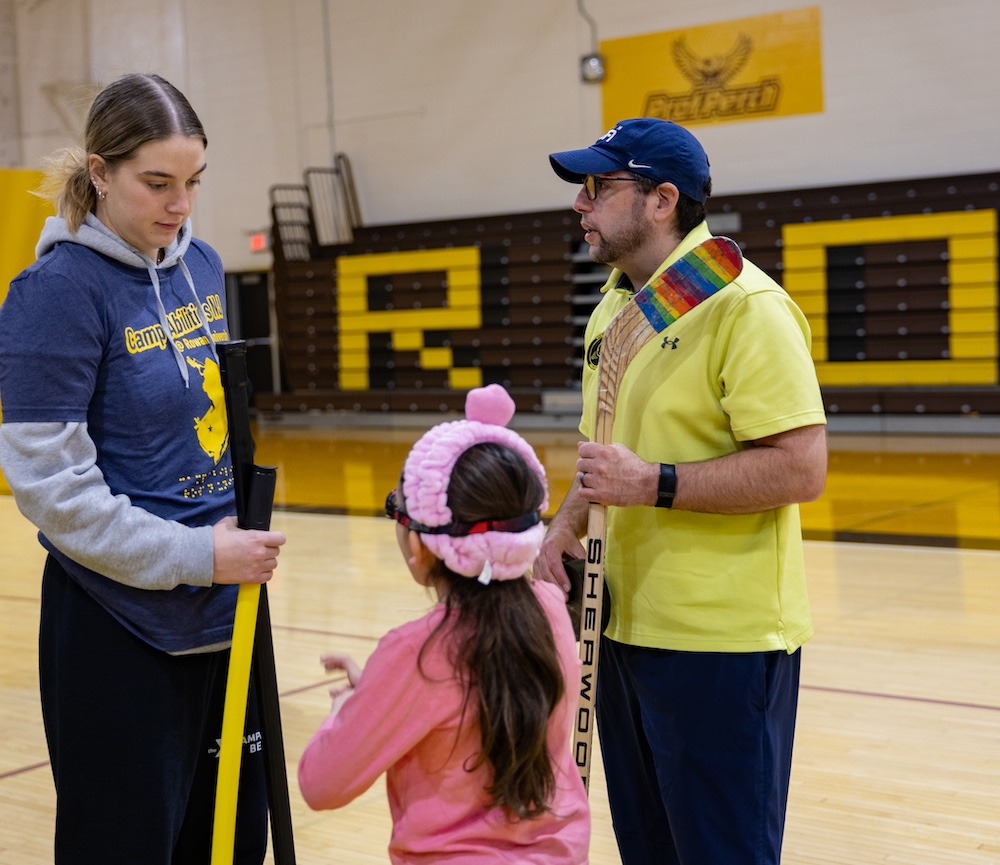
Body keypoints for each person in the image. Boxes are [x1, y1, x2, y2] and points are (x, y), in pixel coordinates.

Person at [0, 73, 286, 865]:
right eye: (157, 183)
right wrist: (197, 553)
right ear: (99, 173)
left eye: (193, 181)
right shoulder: (54, 293)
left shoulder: (203, 268)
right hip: (118, 627)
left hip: (224, 612)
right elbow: (52, 492)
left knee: (230, 843)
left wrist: (235, 535)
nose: (180, 204)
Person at [533, 117, 828, 865]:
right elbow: (608, 454)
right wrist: (565, 522)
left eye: (599, 187)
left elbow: (801, 467)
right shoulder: (614, 306)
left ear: (662, 200)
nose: (581, 203)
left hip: (719, 646)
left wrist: (653, 484)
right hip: (622, 627)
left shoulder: (743, 306)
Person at [298, 384, 590, 864]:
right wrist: (381, 693)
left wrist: (350, 708)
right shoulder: (550, 607)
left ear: (418, 545)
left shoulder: (416, 653)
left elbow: (320, 784)